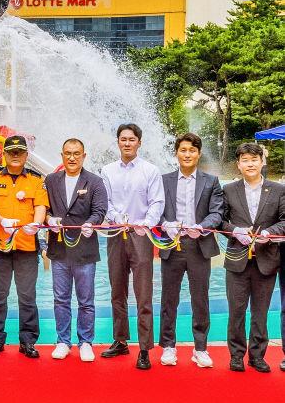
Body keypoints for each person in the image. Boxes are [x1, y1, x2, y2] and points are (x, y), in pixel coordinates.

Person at [100, 124, 164, 370]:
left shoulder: (150, 170)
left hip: (141, 234)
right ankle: (120, 340)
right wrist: (117, 218)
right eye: (123, 139)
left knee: (143, 294)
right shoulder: (107, 171)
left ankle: (145, 348)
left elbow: (157, 201)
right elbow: (105, 202)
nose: (127, 143)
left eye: (132, 139)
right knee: (118, 291)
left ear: (139, 143)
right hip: (116, 232)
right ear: (117, 142)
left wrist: (144, 224)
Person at [158, 133, 224, 368]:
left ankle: (200, 349)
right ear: (177, 152)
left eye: (192, 150)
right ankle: (168, 346)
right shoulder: (163, 180)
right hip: (173, 245)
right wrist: (166, 223)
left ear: (198, 153)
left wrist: (202, 226)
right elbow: (157, 210)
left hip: (199, 245)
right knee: (169, 299)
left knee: (200, 299)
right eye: (183, 150)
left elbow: (217, 212)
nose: (187, 154)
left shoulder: (211, 181)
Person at [221, 142, 285, 373]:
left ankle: (257, 356)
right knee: (236, 311)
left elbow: (284, 220)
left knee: (260, 312)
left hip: (266, 260)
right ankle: (236, 355)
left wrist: (269, 233)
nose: (250, 164)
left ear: (262, 162)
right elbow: (220, 220)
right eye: (245, 160)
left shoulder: (277, 190)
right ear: (238, 164)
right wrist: (234, 230)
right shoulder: (228, 190)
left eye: (254, 159)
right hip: (237, 259)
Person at [0, 135, 48, 358]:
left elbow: (40, 205)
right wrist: (2, 221)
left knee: (27, 296)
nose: (16, 156)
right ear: (5, 155)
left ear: (26, 155)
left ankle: (28, 341)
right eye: (12, 152)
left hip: (27, 246)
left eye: (20, 152)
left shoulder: (36, 180)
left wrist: (36, 224)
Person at [44, 138, 107, 362]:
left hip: (85, 249)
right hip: (59, 248)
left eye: (77, 153)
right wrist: (49, 219)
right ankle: (63, 341)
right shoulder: (51, 180)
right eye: (68, 153)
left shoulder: (95, 181)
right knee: (60, 298)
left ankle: (86, 342)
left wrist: (91, 223)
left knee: (86, 300)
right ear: (62, 155)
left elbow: (100, 210)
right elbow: (44, 208)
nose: (72, 157)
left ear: (84, 156)